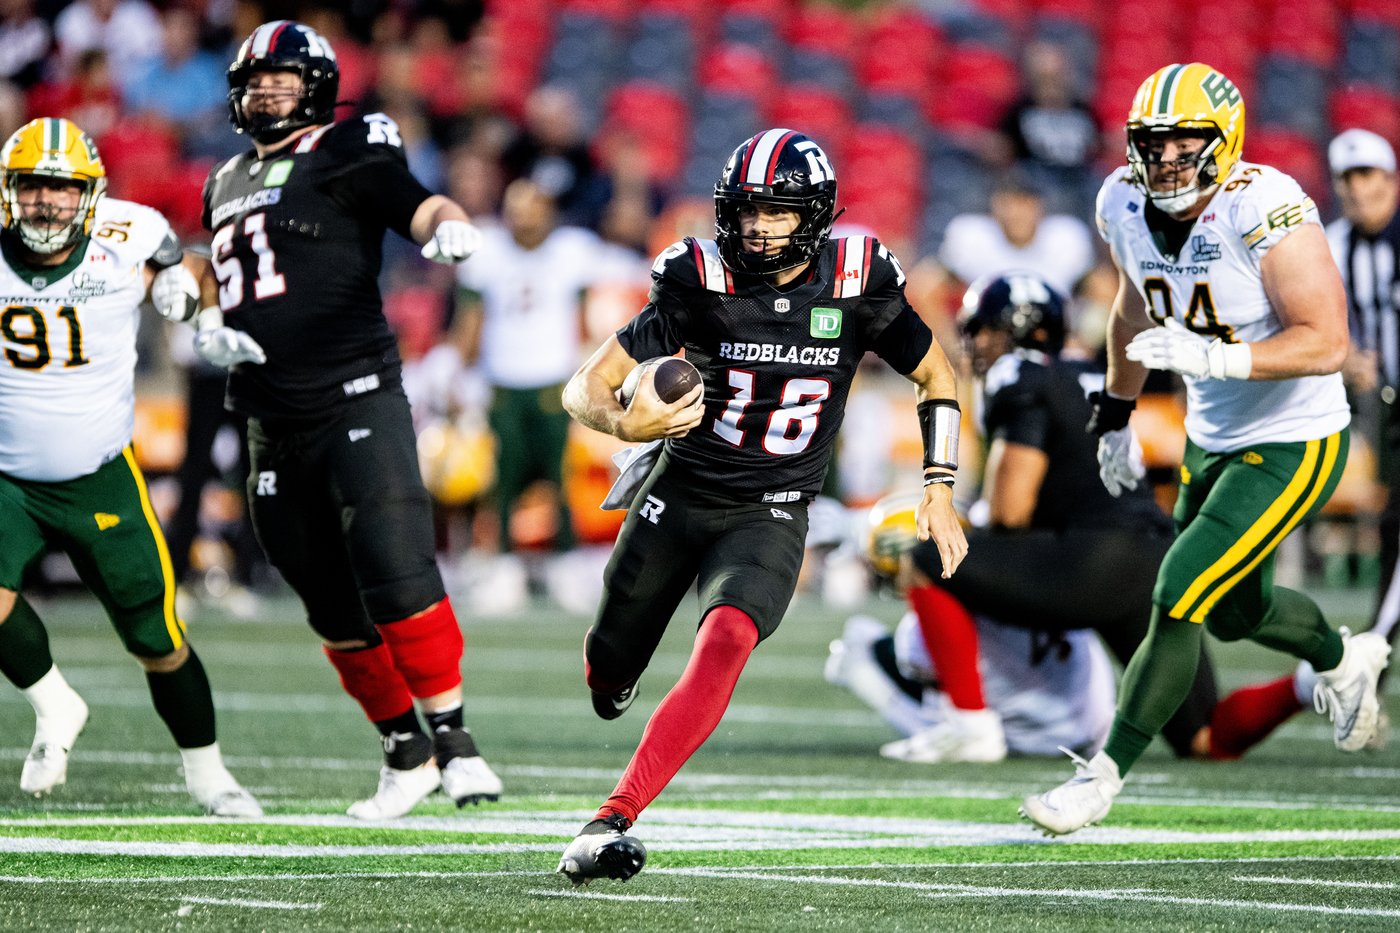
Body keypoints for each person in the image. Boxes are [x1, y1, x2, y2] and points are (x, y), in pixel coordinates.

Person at [555, 128, 968, 883]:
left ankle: (613, 814)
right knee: (608, 666)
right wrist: (624, 420)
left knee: (728, 639)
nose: (755, 228)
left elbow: (937, 374)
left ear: (813, 214)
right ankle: (610, 672)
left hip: (772, 509)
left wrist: (939, 486)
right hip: (678, 493)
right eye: (744, 211)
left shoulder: (855, 278)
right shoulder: (696, 277)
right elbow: (585, 383)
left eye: (775, 213)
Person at [1021, 62, 1392, 837]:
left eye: (1182, 144)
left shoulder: (1264, 206)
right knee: (1232, 611)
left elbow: (1327, 341)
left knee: (1179, 587)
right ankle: (1341, 656)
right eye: (1150, 145)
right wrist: (1117, 409)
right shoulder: (1121, 202)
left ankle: (1103, 775)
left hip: (1295, 436)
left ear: (1223, 143)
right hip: (1213, 435)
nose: (1163, 161)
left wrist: (1221, 358)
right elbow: (1132, 304)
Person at [159, 20, 502, 819]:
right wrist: (197, 308)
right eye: (257, 81)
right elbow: (234, 276)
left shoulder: (348, 147)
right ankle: (404, 751)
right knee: (323, 593)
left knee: (395, 558)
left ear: (316, 84)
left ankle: (455, 740)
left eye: (285, 78)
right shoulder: (225, 180)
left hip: (354, 393)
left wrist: (443, 221)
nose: (270, 91)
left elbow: (413, 203)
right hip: (267, 415)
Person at [0, 116, 258, 815]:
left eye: (62, 189)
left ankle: (209, 775)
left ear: (91, 197)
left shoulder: (129, 234)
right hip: (7, 479)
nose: (46, 203)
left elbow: (188, 262)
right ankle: (55, 704)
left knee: (158, 639)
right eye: (31, 188)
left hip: (100, 473)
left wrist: (195, 308)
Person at [859, 273, 1219, 764]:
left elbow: (1011, 512)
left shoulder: (1016, 376)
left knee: (927, 557)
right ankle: (1313, 683)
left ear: (1013, 330)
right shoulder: (1089, 371)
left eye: (982, 329)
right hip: (1155, 559)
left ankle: (969, 725)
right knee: (1207, 739)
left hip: (1091, 561)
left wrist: (971, 524)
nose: (974, 342)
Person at [455, 178, 610, 564]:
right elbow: (470, 323)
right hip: (502, 382)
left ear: (549, 212)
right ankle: (501, 558)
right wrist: (460, 375)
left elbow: (583, 322)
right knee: (501, 479)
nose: (524, 218)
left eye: (532, 208)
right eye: (517, 209)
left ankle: (566, 558)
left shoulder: (571, 251)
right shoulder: (486, 249)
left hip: (554, 382)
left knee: (561, 477)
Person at [1325, 128, 1400, 729]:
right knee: (1393, 525)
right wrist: (1346, 356)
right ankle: (1379, 648)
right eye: (1347, 179)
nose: (1358, 189)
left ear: (1390, 180)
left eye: (1367, 176)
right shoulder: (1334, 244)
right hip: (1386, 402)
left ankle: (1376, 647)